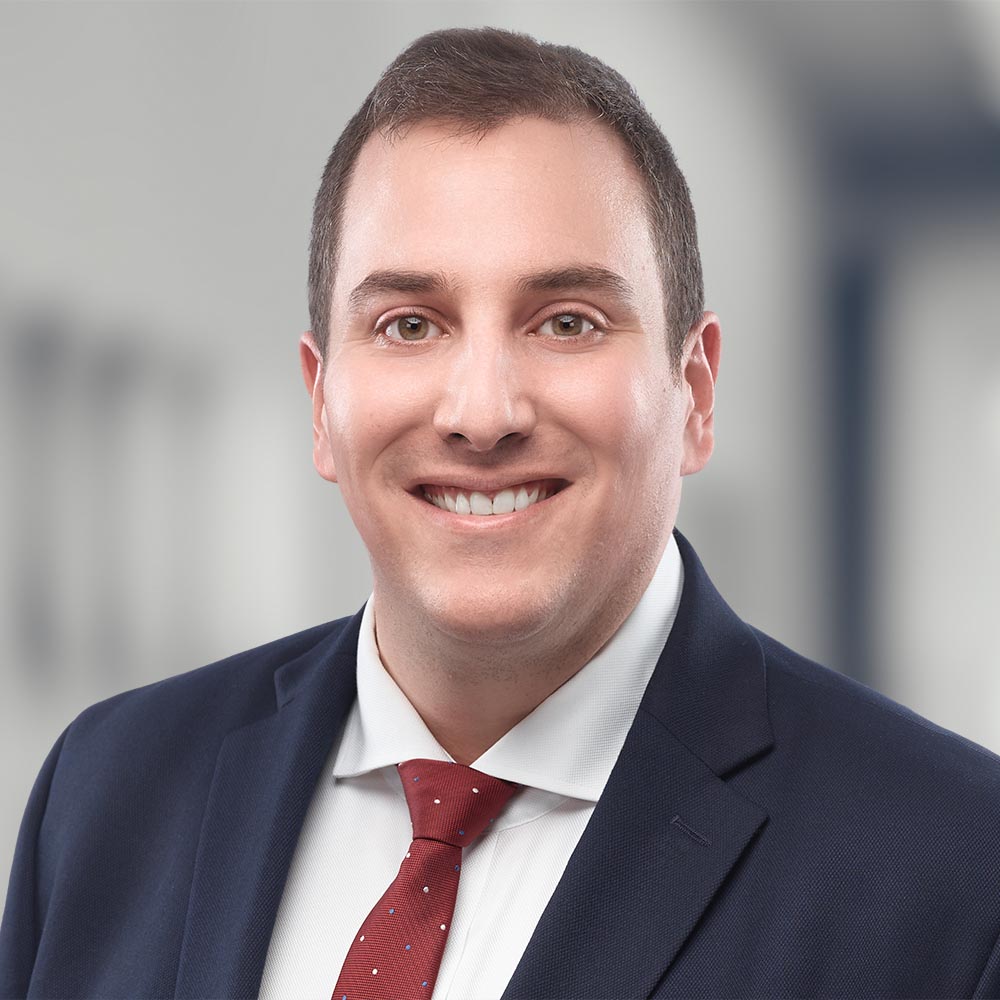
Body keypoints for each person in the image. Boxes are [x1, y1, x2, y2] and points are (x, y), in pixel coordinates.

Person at [3, 24, 1000, 1000]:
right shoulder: (107, 793)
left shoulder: (951, 870)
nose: (482, 414)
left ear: (694, 394)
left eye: (566, 321)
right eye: (409, 324)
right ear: (321, 403)